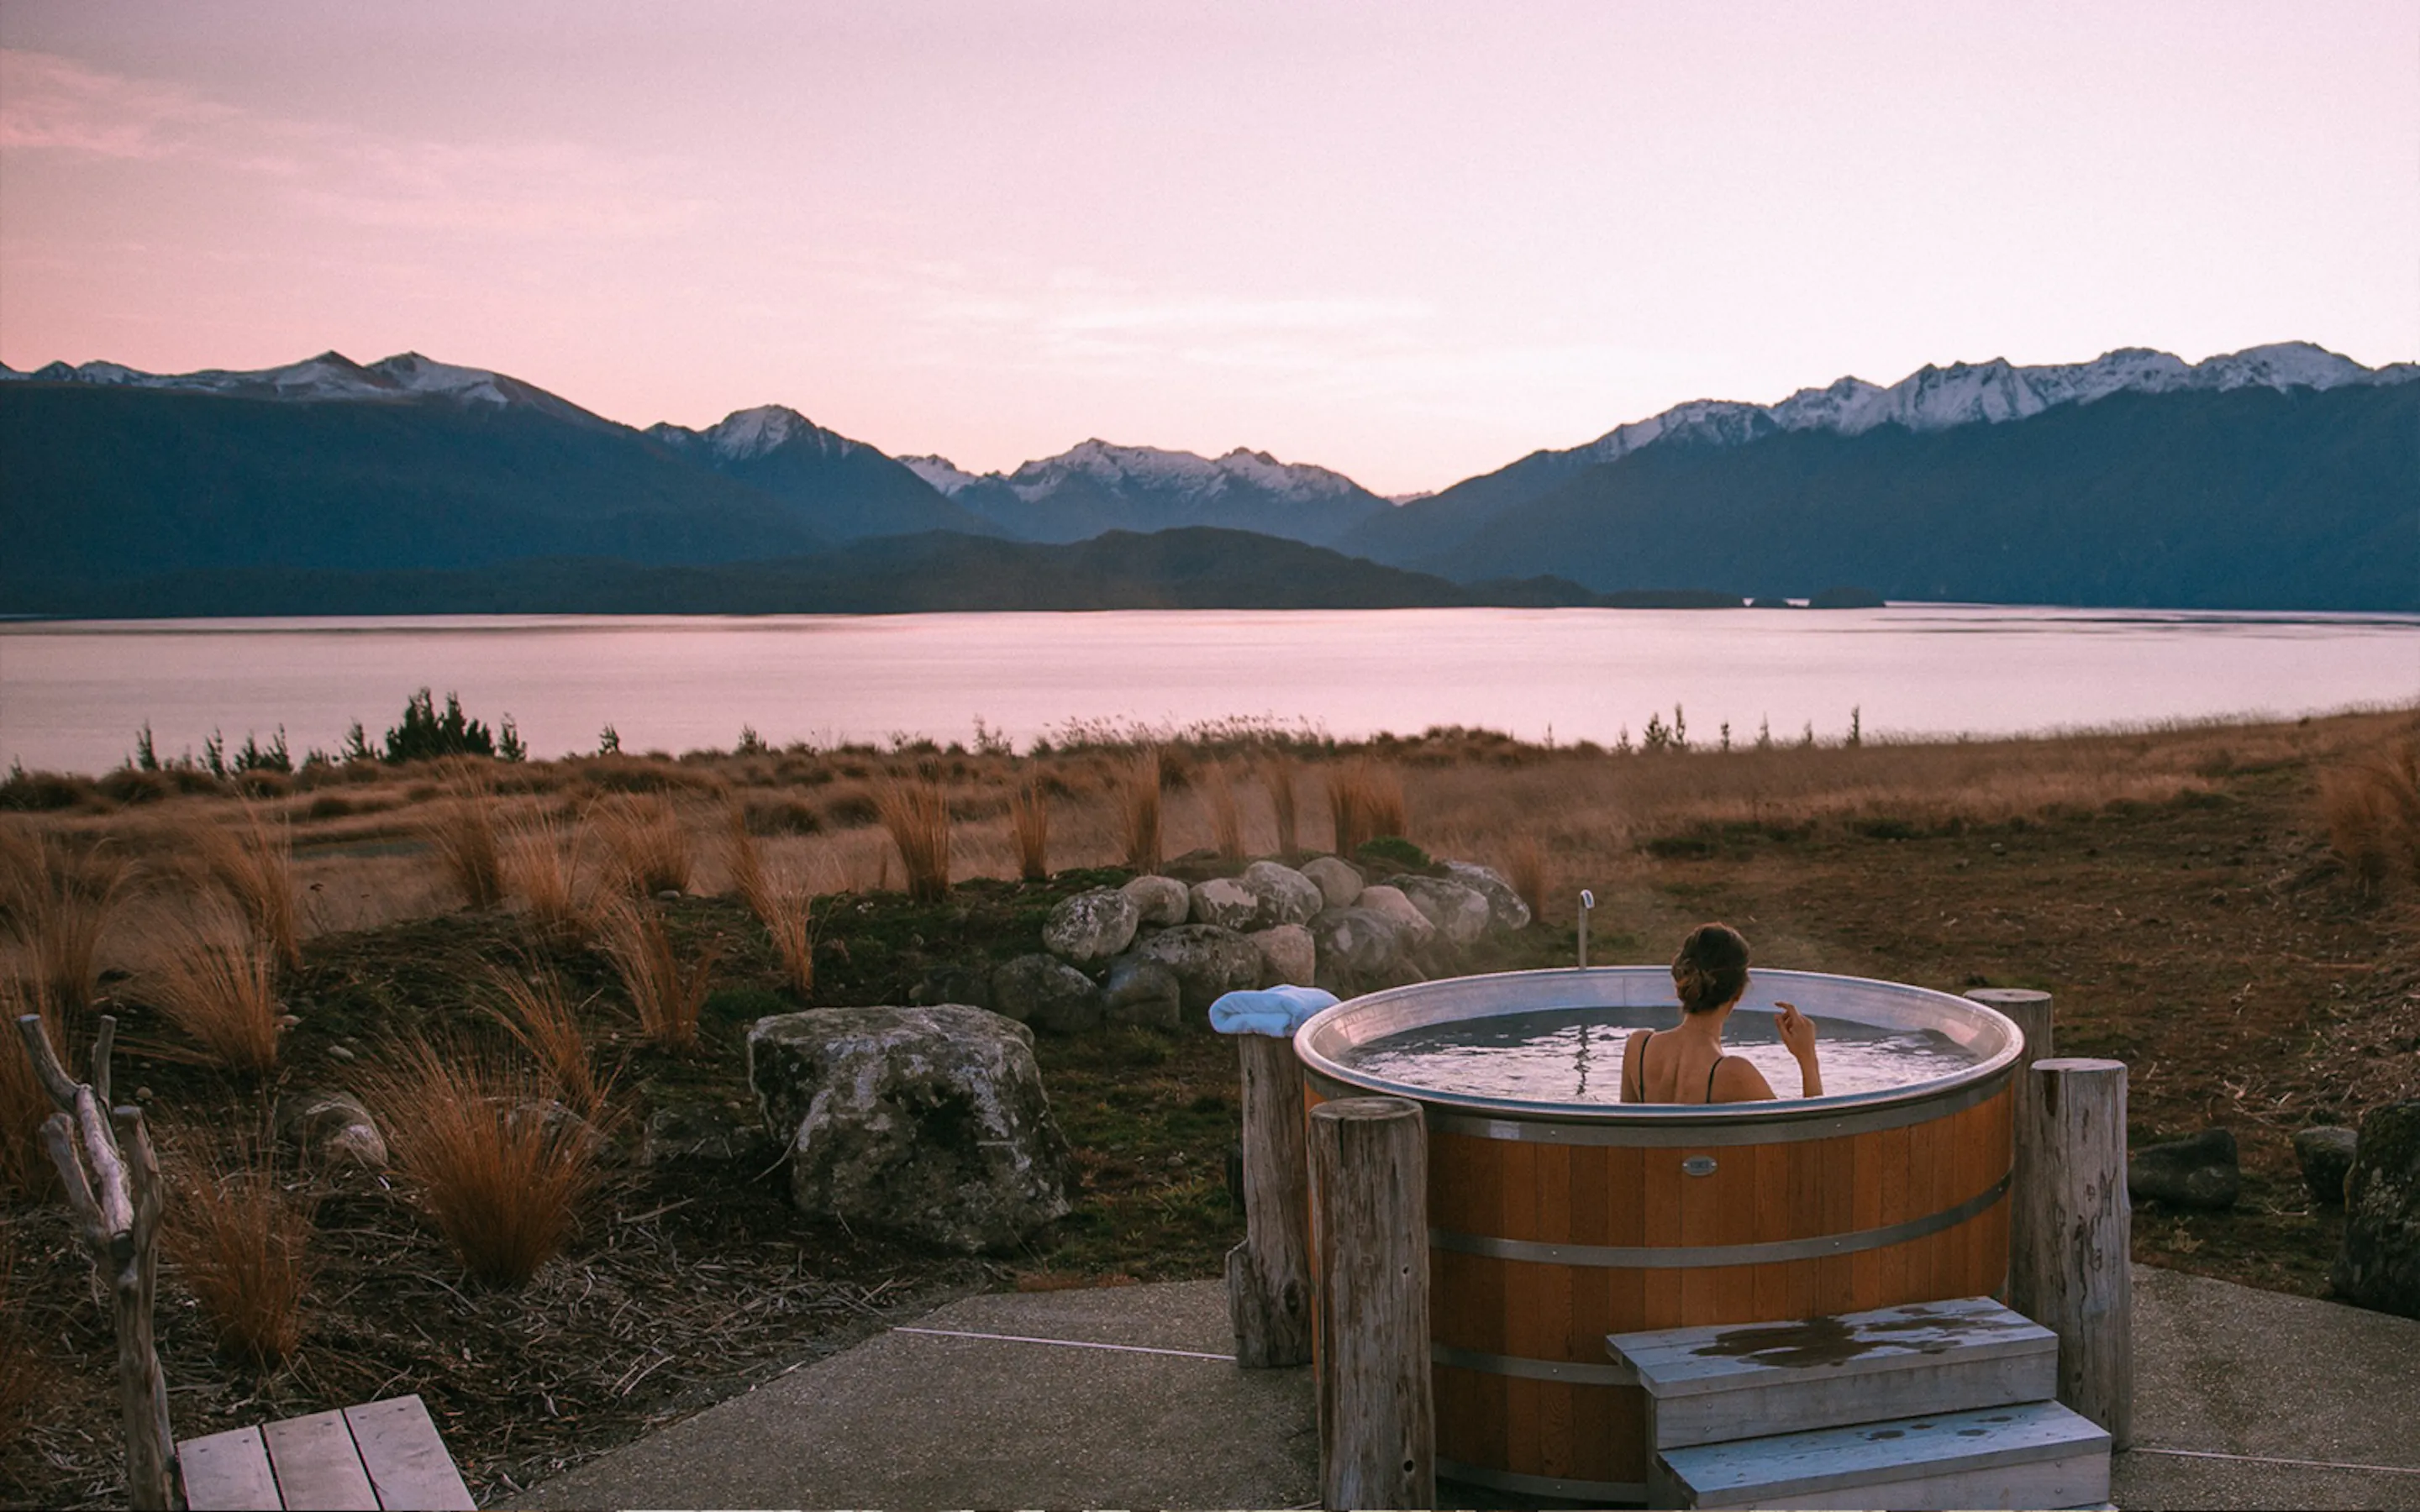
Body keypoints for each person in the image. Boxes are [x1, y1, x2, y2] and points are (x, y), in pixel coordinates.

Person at [1619, 922, 1823, 1103]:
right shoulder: (1734, 1074)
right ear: (1739, 992)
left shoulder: (1638, 1048)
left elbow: (1625, 1135)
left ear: (1680, 981)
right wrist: (1808, 1060)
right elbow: (1805, 1140)